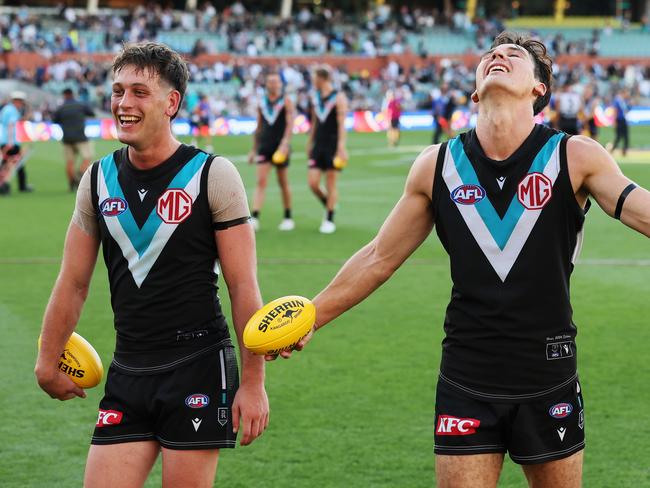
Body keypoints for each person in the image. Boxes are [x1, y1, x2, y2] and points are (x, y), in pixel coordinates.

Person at [275, 32, 650, 487]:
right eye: (491, 55)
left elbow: (640, 209)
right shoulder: (437, 164)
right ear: (474, 90)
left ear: (539, 89)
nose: (498, 57)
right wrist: (313, 316)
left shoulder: (575, 155)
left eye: (514, 56)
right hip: (466, 374)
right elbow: (379, 257)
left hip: (547, 372)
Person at [34, 42, 269, 487]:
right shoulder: (97, 178)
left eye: (139, 92)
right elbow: (73, 282)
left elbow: (244, 288)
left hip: (198, 364)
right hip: (129, 369)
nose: (124, 103)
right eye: (118, 91)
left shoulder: (212, 175)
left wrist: (253, 383)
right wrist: (47, 360)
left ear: (172, 102)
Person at [248, 70, 296, 231]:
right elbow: (259, 126)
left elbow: (290, 124)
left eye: (276, 82)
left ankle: (288, 217)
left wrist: (285, 143)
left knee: (283, 182)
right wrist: (253, 149)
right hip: (265, 145)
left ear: (280, 85)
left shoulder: (286, 101)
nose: (273, 85)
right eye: (270, 82)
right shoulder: (262, 102)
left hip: (280, 146)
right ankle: (255, 216)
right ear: (266, 84)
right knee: (261, 181)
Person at [306, 66, 348, 234]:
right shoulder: (315, 97)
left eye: (314, 78)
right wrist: (310, 141)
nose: (312, 82)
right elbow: (315, 121)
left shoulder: (338, 97)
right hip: (319, 144)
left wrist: (341, 147)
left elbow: (341, 124)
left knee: (331, 183)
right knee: (313, 183)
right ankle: (330, 204)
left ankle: (329, 218)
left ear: (322, 79)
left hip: (332, 144)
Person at [52, 87, 95, 191]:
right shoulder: (80, 105)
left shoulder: (61, 108)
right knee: (87, 157)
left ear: (64, 95)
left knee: (70, 162)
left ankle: (71, 183)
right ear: (73, 94)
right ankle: (80, 174)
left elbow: (54, 120)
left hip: (67, 138)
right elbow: (91, 113)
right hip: (81, 137)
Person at [0, 91, 32, 194]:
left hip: (6, 140)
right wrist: (10, 143)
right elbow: (10, 126)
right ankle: (7, 185)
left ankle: (10, 184)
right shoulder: (12, 110)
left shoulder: (7, 109)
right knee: (14, 163)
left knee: (7, 163)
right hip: (11, 142)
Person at [610, 88, 630, 157]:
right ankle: (612, 150)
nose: (628, 95)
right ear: (623, 93)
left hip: (623, 120)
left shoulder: (623, 100)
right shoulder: (618, 100)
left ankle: (624, 151)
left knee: (626, 136)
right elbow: (615, 110)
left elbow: (625, 110)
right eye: (627, 93)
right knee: (618, 137)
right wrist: (614, 121)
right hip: (619, 120)